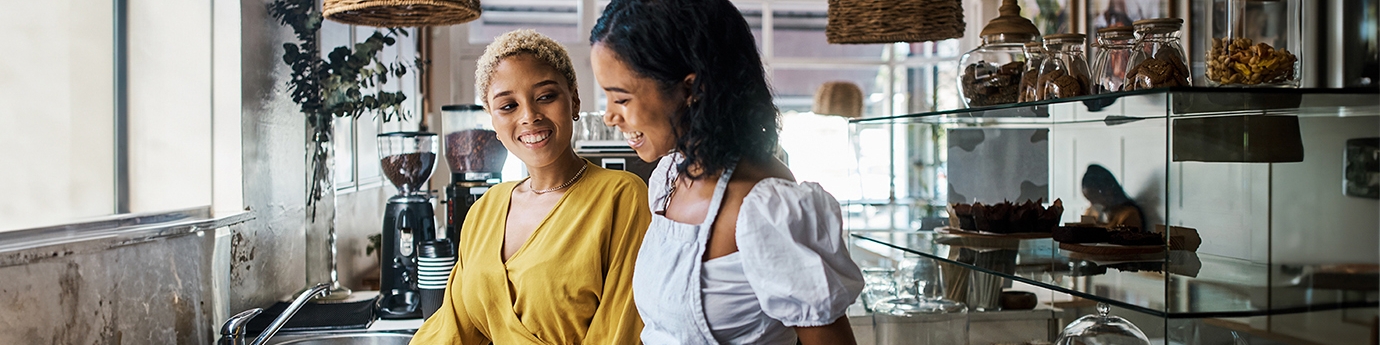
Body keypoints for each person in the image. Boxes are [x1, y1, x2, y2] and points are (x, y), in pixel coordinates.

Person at [589, 1, 864, 344]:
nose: (609, 117)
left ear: (691, 90)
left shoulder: (766, 206)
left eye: (621, 99)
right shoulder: (668, 179)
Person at [410, 29, 651, 344]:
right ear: (493, 121)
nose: (530, 116)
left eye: (546, 97)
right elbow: (453, 327)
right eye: (508, 106)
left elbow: (619, 331)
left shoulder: (622, 197)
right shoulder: (485, 210)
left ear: (574, 101)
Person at [1081, 164, 1145, 231]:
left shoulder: (1129, 215)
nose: (1092, 203)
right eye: (1089, 199)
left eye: (1094, 198)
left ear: (1108, 192)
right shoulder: (1091, 212)